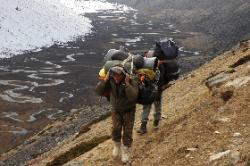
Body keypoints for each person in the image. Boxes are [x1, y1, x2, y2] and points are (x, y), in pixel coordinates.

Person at [95, 66, 138, 163]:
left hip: (129, 109)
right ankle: (117, 146)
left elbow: (133, 97)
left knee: (127, 131)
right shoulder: (110, 80)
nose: (116, 77)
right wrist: (105, 81)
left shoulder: (132, 81)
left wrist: (127, 84)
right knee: (116, 128)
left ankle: (126, 152)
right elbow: (98, 91)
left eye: (118, 75)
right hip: (116, 109)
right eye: (114, 75)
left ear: (123, 75)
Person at [137, 50, 179, 134]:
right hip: (155, 90)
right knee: (155, 106)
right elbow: (165, 78)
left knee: (149, 107)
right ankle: (152, 123)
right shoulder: (161, 66)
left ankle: (146, 125)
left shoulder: (147, 67)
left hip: (150, 90)